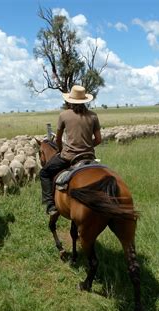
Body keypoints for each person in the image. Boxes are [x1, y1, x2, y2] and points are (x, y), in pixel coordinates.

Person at [40, 85, 102, 215]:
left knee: (44, 173)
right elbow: (98, 139)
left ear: (70, 101)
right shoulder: (93, 116)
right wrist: (88, 147)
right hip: (89, 157)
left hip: (68, 157)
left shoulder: (64, 115)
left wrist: (61, 150)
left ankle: (50, 205)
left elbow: (57, 139)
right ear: (85, 100)